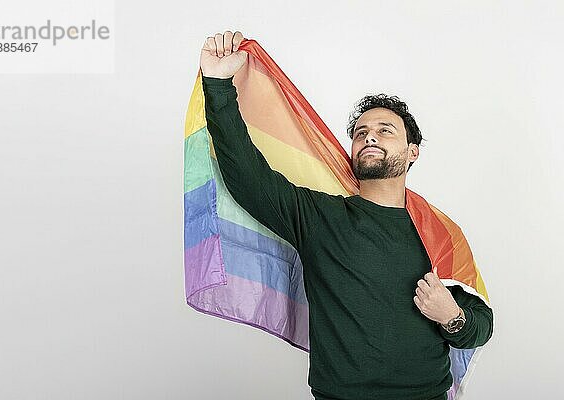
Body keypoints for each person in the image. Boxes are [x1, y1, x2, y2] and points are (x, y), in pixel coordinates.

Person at [199, 30, 493, 400]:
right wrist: (219, 83)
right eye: (361, 132)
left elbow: (482, 325)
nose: (370, 137)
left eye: (385, 131)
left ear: (412, 151)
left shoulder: (440, 233)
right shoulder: (318, 217)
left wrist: (452, 316)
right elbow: (246, 176)